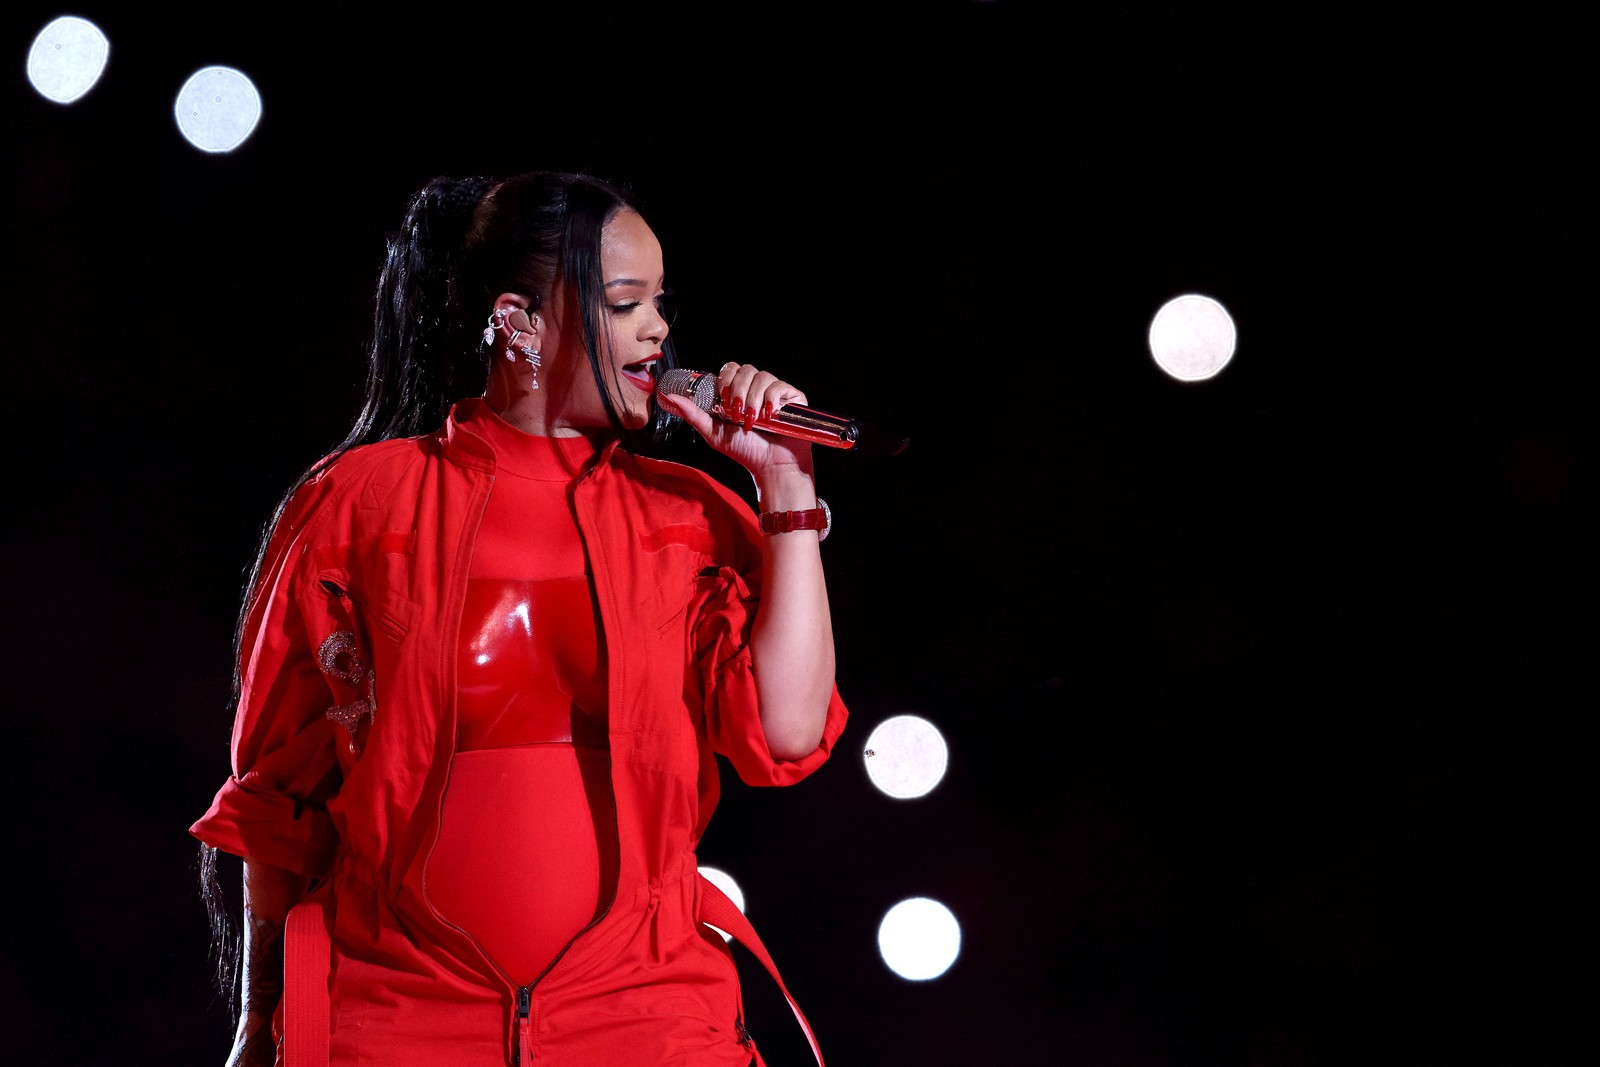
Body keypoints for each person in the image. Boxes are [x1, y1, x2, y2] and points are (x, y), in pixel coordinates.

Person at [191, 170, 848, 1066]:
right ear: (517, 321)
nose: (659, 328)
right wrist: (257, 1022)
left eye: (660, 301)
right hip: (397, 1012)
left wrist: (785, 488)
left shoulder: (688, 517)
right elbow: (279, 795)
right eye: (625, 303)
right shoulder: (360, 503)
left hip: (645, 1015)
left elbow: (788, 728)